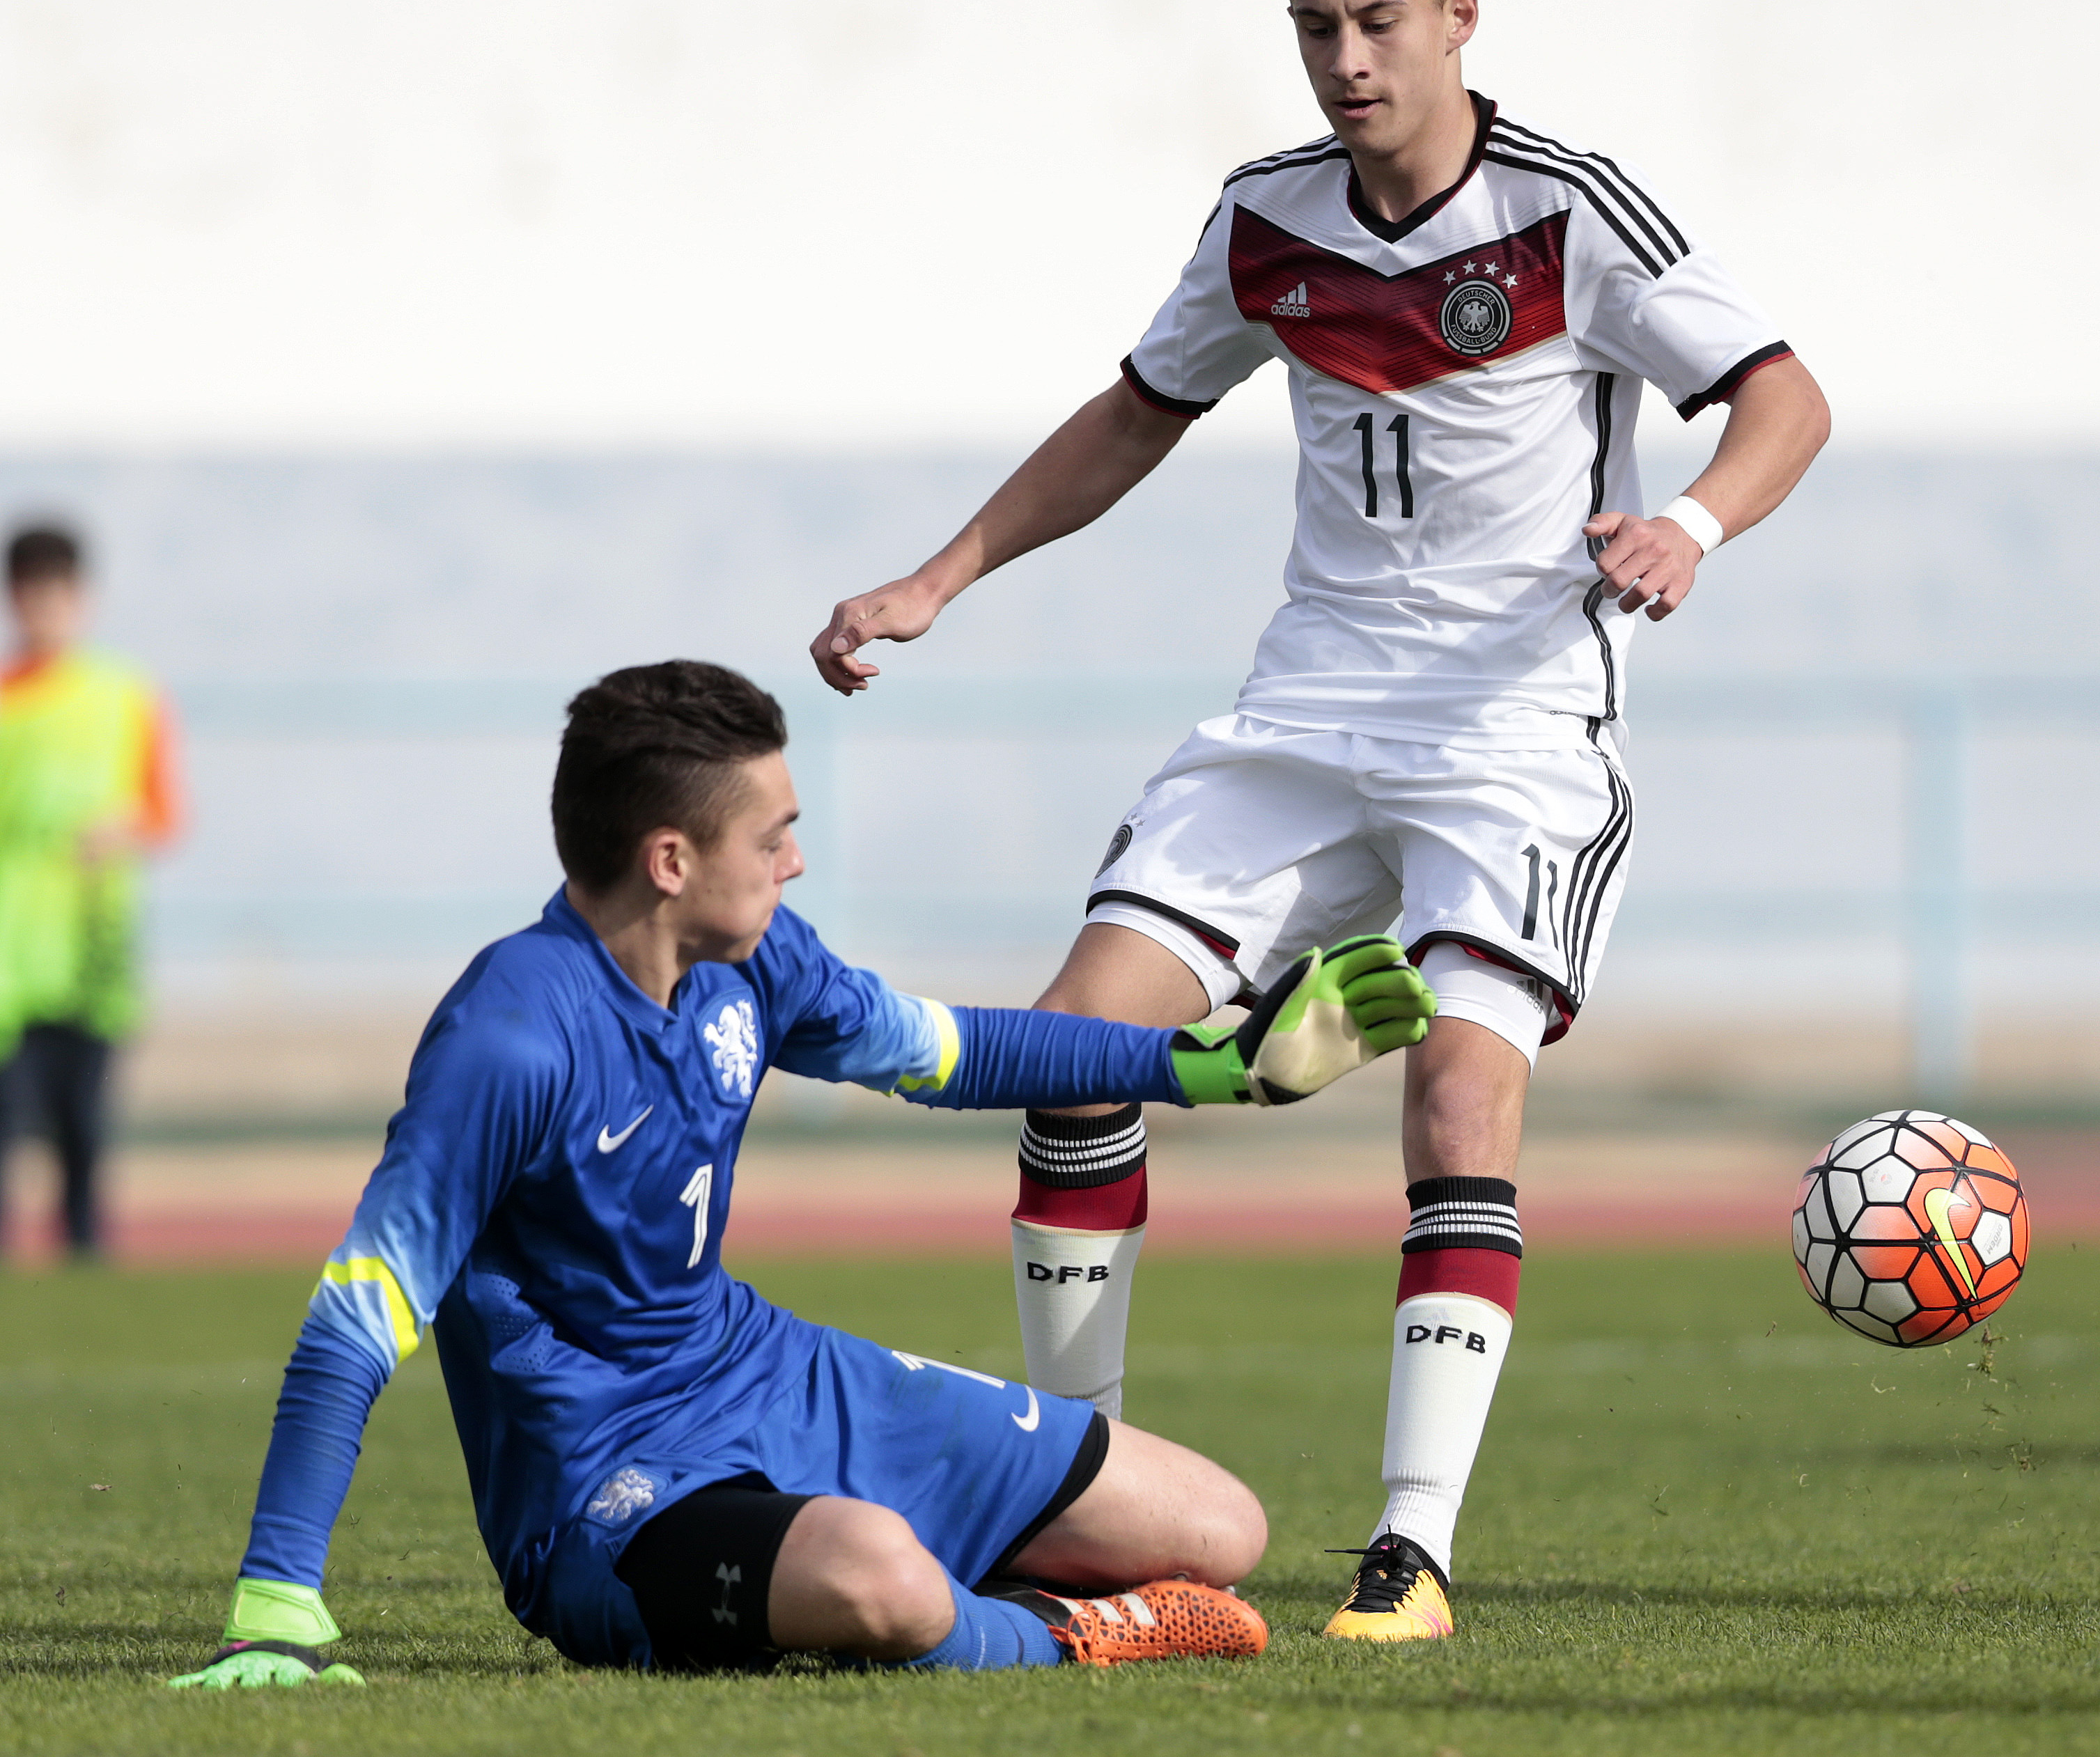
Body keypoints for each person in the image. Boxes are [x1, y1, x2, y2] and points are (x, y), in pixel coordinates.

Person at [810, 0, 1829, 1641]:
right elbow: (1138, 411)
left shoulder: (1571, 209)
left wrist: (1695, 526)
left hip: (1512, 735)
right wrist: (937, 577)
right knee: (1073, 1056)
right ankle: (1080, 1496)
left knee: (1454, 1090)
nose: (1344, 59)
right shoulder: (1263, 217)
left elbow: (1782, 395)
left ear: (1456, 14)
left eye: (1375, 20)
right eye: (1312, 27)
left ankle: (1411, 1548)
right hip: (1297, 716)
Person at [167, 662, 1436, 1688]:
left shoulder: (753, 961)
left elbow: (947, 1049)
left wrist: (1209, 1065)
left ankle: (938, 1585)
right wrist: (277, 1606)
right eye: (774, 836)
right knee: (877, 1581)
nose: (795, 863)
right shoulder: (510, 1036)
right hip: (607, 1483)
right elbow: (355, 1319)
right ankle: (1058, 1631)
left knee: (1222, 1529)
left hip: (767, 1372)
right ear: (671, 859)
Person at [0, 522, 183, 1263]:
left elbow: (164, 812)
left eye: (58, 593)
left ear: (82, 598)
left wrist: (119, 831)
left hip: (91, 949)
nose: (45, 609)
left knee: (82, 1125)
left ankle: (85, 1262)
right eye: (30, 593)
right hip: (12, 951)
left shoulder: (125, 694)